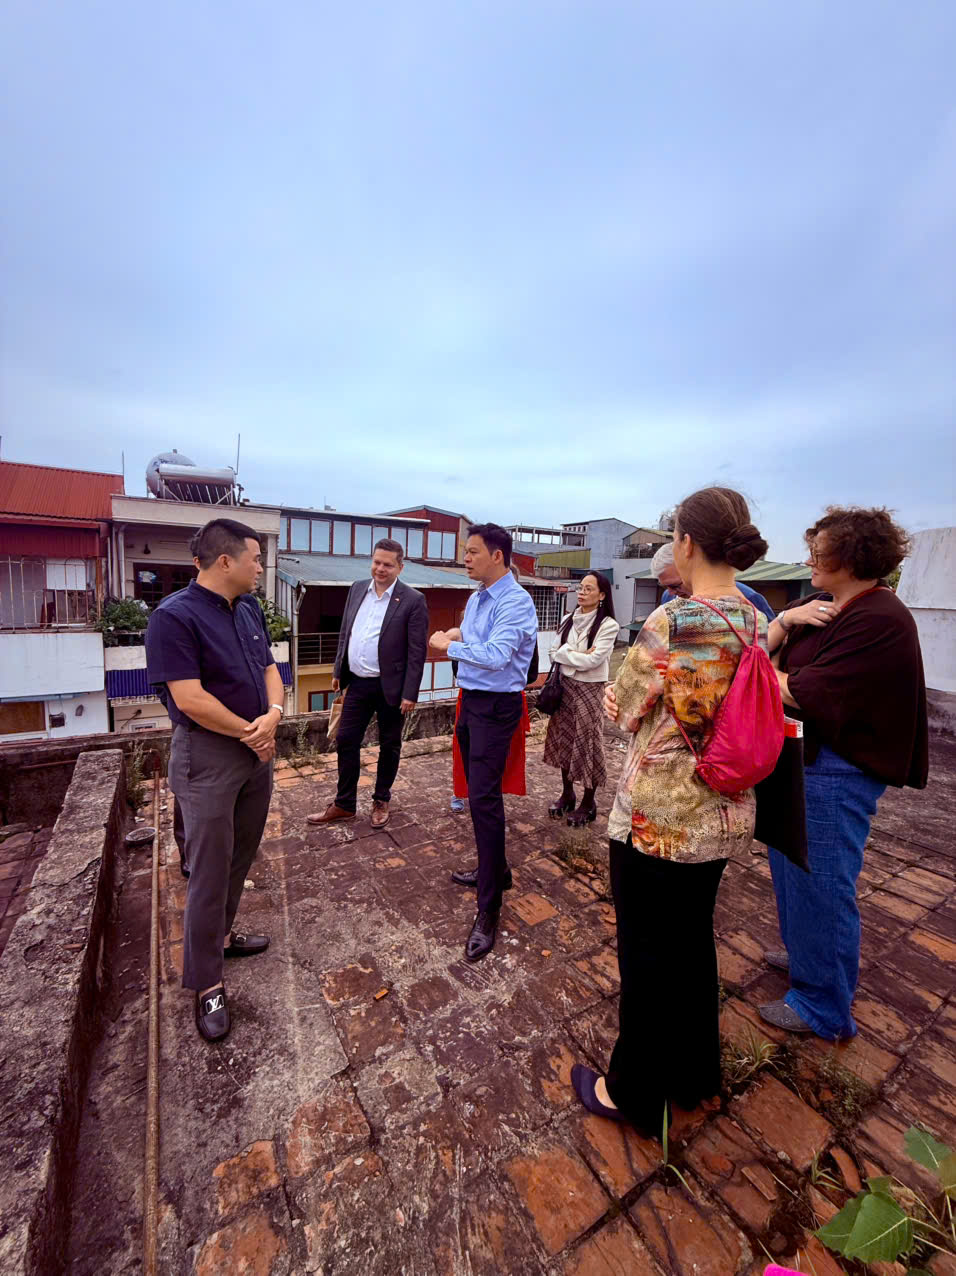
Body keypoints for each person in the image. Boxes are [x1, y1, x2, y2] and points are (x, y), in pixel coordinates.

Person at [572, 487, 770, 1135]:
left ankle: (632, 1092)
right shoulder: (753, 618)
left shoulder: (673, 623)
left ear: (685, 543)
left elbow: (624, 708)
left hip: (660, 819)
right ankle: (694, 1074)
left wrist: (626, 701)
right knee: (691, 947)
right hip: (723, 814)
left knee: (647, 958)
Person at [759, 506, 928, 1040]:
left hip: (836, 767)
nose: (811, 557)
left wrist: (760, 669)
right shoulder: (822, 604)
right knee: (790, 869)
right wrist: (784, 621)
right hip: (799, 759)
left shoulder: (880, 618)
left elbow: (800, 690)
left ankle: (824, 1005)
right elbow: (768, 649)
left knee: (823, 882)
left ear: (853, 557)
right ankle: (806, 959)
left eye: (822, 549)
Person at [145, 518, 283, 1043]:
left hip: (255, 751)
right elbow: (190, 699)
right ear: (225, 562)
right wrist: (254, 732)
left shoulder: (248, 608)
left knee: (240, 855)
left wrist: (272, 715)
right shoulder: (173, 618)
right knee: (206, 869)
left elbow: (270, 668)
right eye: (255, 558)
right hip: (207, 758)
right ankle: (206, 982)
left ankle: (221, 937)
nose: (260, 567)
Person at [429, 524, 538, 962]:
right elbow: (477, 638)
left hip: (496, 708)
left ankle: (488, 907)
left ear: (497, 555)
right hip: (472, 701)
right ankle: (497, 870)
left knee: (486, 800)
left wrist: (446, 645)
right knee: (477, 794)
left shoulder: (516, 601)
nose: (466, 559)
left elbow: (496, 657)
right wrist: (458, 634)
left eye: (473, 552)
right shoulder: (477, 598)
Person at [307, 539, 428, 830]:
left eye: (387, 564)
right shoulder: (357, 588)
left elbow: (416, 651)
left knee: (389, 745)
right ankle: (344, 804)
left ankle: (381, 799)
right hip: (358, 683)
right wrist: (339, 668)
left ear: (400, 566)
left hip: (392, 688)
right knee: (346, 739)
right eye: (376, 562)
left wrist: (410, 692)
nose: (380, 568)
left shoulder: (413, 600)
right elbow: (346, 632)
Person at [449, 564, 537, 813]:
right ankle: (466, 792)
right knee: (467, 754)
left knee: (497, 761)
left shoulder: (516, 606)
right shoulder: (475, 601)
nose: (468, 560)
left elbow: (511, 660)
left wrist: (455, 648)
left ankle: (488, 797)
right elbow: (468, 651)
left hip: (502, 698)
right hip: (469, 694)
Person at [543, 572, 620, 826]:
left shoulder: (608, 625)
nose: (582, 592)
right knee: (565, 739)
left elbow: (594, 660)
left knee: (587, 745)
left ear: (601, 595)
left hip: (590, 690)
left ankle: (589, 803)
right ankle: (567, 795)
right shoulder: (568, 619)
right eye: (581, 588)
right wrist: (573, 652)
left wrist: (567, 654)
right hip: (565, 688)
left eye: (589, 589)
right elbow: (554, 652)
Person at [651, 541, 777, 622]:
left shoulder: (748, 597)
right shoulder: (668, 597)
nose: (671, 592)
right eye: (665, 586)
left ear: (693, 569)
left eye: (675, 585)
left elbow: (771, 642)